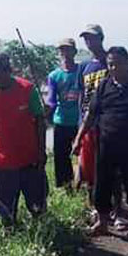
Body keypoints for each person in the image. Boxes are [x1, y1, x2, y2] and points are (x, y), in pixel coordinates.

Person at [72, 47, 128, 238]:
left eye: (118, 63)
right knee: (102, 184)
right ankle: (102, 223)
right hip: (106, 144)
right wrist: (79, 138)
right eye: (110, 64)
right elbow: (91, 114)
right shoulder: (104, 85)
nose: (113, 67)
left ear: (127, 63)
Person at [0, 53, 48, 227]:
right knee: (4, 209)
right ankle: (10, 234)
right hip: (1, 162)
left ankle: (42, 234)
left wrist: (41, 152)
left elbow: (40, 122)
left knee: (37, 206)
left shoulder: (27, 89)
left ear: (7, 71)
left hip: (30, 160)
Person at [75, 24, 108, 191]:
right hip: (88, 123)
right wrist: (80, 123)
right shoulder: (84, 66)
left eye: (92, 37)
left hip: (107, 123)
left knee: (108, 166)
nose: (89, 41)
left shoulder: (111, 61)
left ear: (101, 38)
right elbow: (81, 94)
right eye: (86, 38)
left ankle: (115, 206)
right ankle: (94, 205)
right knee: (88, 166)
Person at [47, 38, 81, 188]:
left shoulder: (82, 71)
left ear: (75, 51)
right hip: (61, 121)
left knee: (82, 155)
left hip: (79, 122)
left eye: (68, 49)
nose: (65, 53)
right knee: (61, 157)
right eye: (62, 50)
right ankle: (65, 187)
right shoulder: (54, 76)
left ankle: (84, 185)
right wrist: (47, 109)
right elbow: (51, 99)